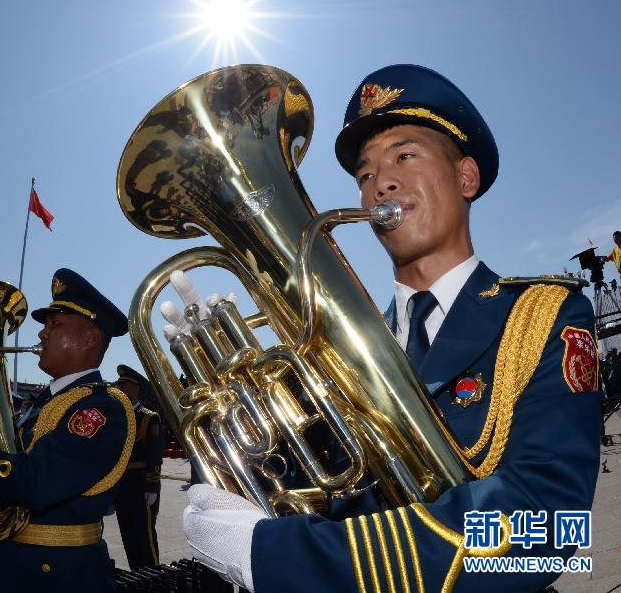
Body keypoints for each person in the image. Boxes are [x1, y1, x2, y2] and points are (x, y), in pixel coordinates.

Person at [182, 64, 602, 592]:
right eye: (364, 174)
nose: (381, 182)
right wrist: (226, 428)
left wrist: (278, 556)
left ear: (466, 177)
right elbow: (294, 486)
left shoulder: (543, 316)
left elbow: (546, 527)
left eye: (404, 155)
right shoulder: (333, 352)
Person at [0, 268, 135, 592]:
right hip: (15, 564)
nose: (42, 334)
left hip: (59, 576)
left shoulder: (102, 408)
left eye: (55, 325)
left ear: (90, 339)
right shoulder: (46, 402)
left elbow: (37, 482)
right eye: (45, 325)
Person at [113, 364, 164, 569]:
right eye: (119, 385)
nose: (120, 390)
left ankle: (153, 578)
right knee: (127, 534)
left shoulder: (149, 417)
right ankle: (138, 577)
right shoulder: (117, 417)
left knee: (145, 536)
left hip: (141, 484)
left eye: (125, 385)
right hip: (121, 486)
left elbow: (155, 454)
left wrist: (151, 485)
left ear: (135, 389)